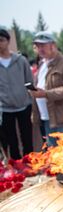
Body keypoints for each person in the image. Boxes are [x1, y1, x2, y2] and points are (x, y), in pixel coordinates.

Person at [29, 31, 63, 146]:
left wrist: (45, 94)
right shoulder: (42, 64)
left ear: (53, 45)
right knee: (55, 158)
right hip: (48, 119)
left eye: (43, 45)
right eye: (37, 46)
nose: (40, 49)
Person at [0, 28, 34, 159]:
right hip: (5, 107)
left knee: (27, 137)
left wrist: (30, 99)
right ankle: (17, 166)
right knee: (11, 140)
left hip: (24, 104)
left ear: (8, 41)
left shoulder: (20, 60)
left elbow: (29, 81)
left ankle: (30, 163)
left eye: (1, 40)